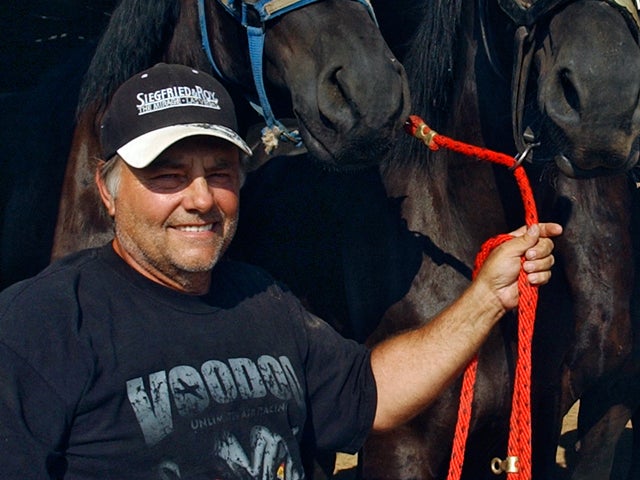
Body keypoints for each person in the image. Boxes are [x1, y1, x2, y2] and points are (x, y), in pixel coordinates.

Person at [0, 63, 562, 479]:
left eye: (219, 171)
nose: (200, 198)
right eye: (168, 175)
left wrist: (488, 295)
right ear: (108, 190)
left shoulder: (262, 298)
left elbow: (370, 393)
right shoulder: (40, 325)